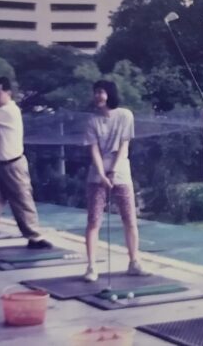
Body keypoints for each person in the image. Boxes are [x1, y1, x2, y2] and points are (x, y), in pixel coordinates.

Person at [82, 80, 150, 282]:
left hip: (121, 173)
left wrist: (112, 171)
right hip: (97, 176)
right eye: (95, 92)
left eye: (100, 92)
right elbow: (93, 150)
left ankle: (134, 262)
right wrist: (102, 175)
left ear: (109, 94)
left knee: (129, 219)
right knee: (94, 221)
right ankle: (91, 267)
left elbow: (124, 145)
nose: (97, 96)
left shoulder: (125, 115)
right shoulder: (92, 121)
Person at [0, 77, 52, 250]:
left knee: (23, 201)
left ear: (8, 93)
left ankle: (34, 237)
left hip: (13, 165)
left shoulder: (10, 110)